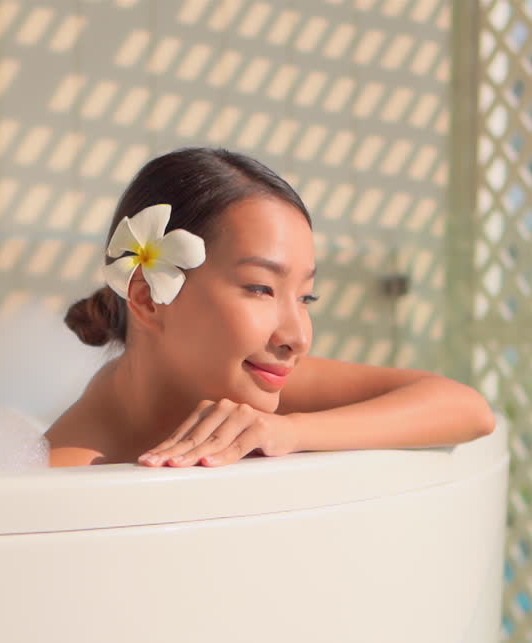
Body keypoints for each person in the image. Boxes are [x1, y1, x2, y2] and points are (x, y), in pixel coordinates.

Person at [46, 146, 495, 468]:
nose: (297, 337)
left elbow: (468, 410)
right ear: (147, 297)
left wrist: (290, 431)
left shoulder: (241, 390)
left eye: (306, 297)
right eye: (261, 288)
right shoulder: (62, 474)